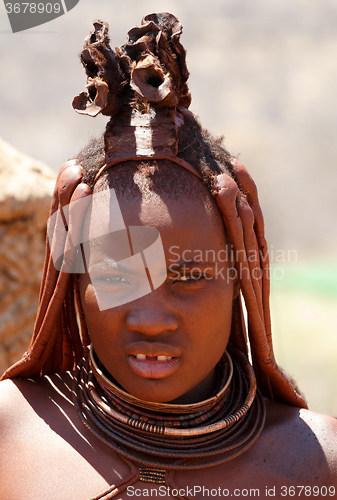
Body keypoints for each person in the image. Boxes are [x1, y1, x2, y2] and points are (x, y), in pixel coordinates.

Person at [0, 13, 336, 500]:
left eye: (189, 276)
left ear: (239, 280)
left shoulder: (315, 463)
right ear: (76, 283)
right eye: (118, 276)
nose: (151, 319)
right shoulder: (9, 435)